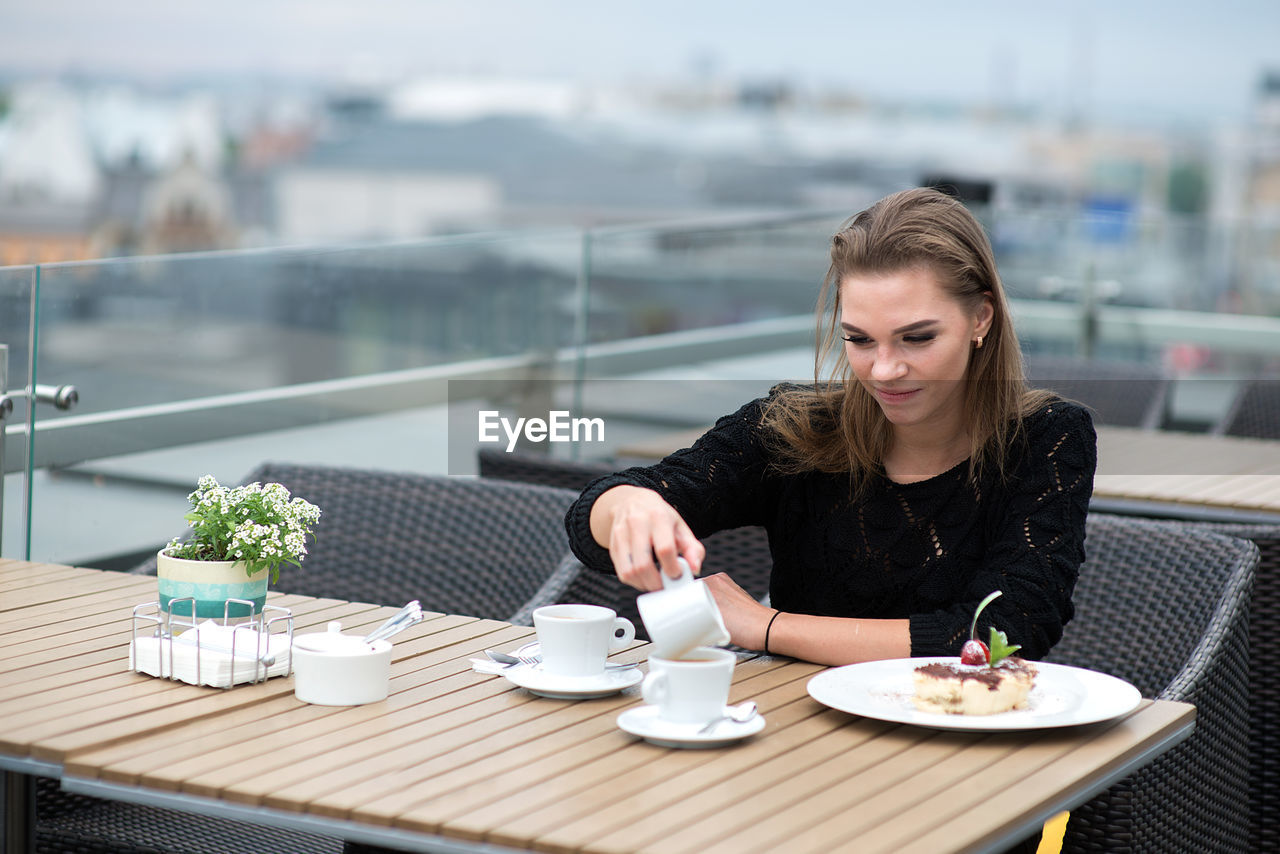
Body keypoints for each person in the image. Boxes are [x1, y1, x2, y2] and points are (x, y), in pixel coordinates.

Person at [564, 187, 1097, 666]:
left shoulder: (1049, 438)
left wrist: (767, 627)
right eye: (860, 339)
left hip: (959, 741)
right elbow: (593, 519)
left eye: (917, 338)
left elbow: (1006, 633)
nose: (884, 370)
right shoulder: (798, 427)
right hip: (796, 735)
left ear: (981, 317)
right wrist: (632, 507)